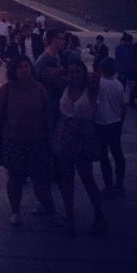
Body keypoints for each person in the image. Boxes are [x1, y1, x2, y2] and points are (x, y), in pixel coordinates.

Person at [0, 55, 57, 227]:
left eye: (27, 66)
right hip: (13, 141)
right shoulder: (6, 89)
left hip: (37, 140)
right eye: (20, 67)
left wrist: (50, 137)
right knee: (14, 178)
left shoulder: (39, 89)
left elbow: (47, 115)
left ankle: (48, 206)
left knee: (40, 178)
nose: (25, 70)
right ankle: (15, 210)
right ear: (13, 70)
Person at [52, 59, 107, 235]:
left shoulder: (90, 89)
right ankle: (69, 215)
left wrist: (86, 74)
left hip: (83, 137)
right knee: (66, 179)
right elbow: (53, 75)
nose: (74, 75)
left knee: (87, 178)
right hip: (64, 136)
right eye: (71, 72)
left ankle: (99, 215)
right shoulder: (65, 87)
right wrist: (65, 72)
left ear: (84, 73)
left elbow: (97, 77)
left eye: (77, 71)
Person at [93, 57, 127, 197]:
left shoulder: (99, 84)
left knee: (103, 156)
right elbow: (123, 106)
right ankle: (120, 183)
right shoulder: (118, 84)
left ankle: (108, 185)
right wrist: (121, 121)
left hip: (101, 123)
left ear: (101, 70)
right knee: (117, 153)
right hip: (115, 122)